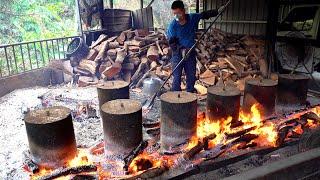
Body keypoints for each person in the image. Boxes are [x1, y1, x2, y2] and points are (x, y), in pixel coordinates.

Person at [167, 0, 224, 92]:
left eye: (178, 13)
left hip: (190, 52)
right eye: (174, 14)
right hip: (177, 54)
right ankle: (175, 98)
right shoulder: (172, 26)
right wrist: (180, 50)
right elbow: (172, 44)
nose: (176, 16)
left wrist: (217, 11)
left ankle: (189, 96)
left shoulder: (192, 18)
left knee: (191, 76)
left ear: (183, 11)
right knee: (177, 77)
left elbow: (204, 14)